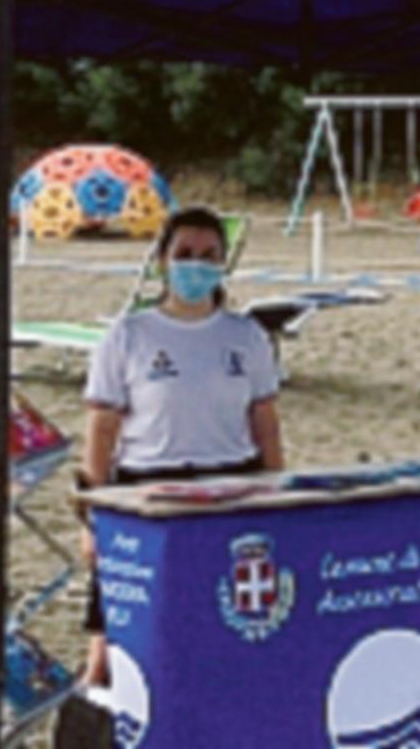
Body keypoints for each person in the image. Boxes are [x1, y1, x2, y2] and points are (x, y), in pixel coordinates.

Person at [76, 206, 284, 684]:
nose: (196, 264)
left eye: (208, 254)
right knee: (113, 633)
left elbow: (265, 422)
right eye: (185, 253)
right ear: (162, 261)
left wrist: (278, 492)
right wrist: (91, 515)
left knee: (223, 621)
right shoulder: (128, 335)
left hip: (233, 484)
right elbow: (101, 429)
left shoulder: (246, 336)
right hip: (147, 489)